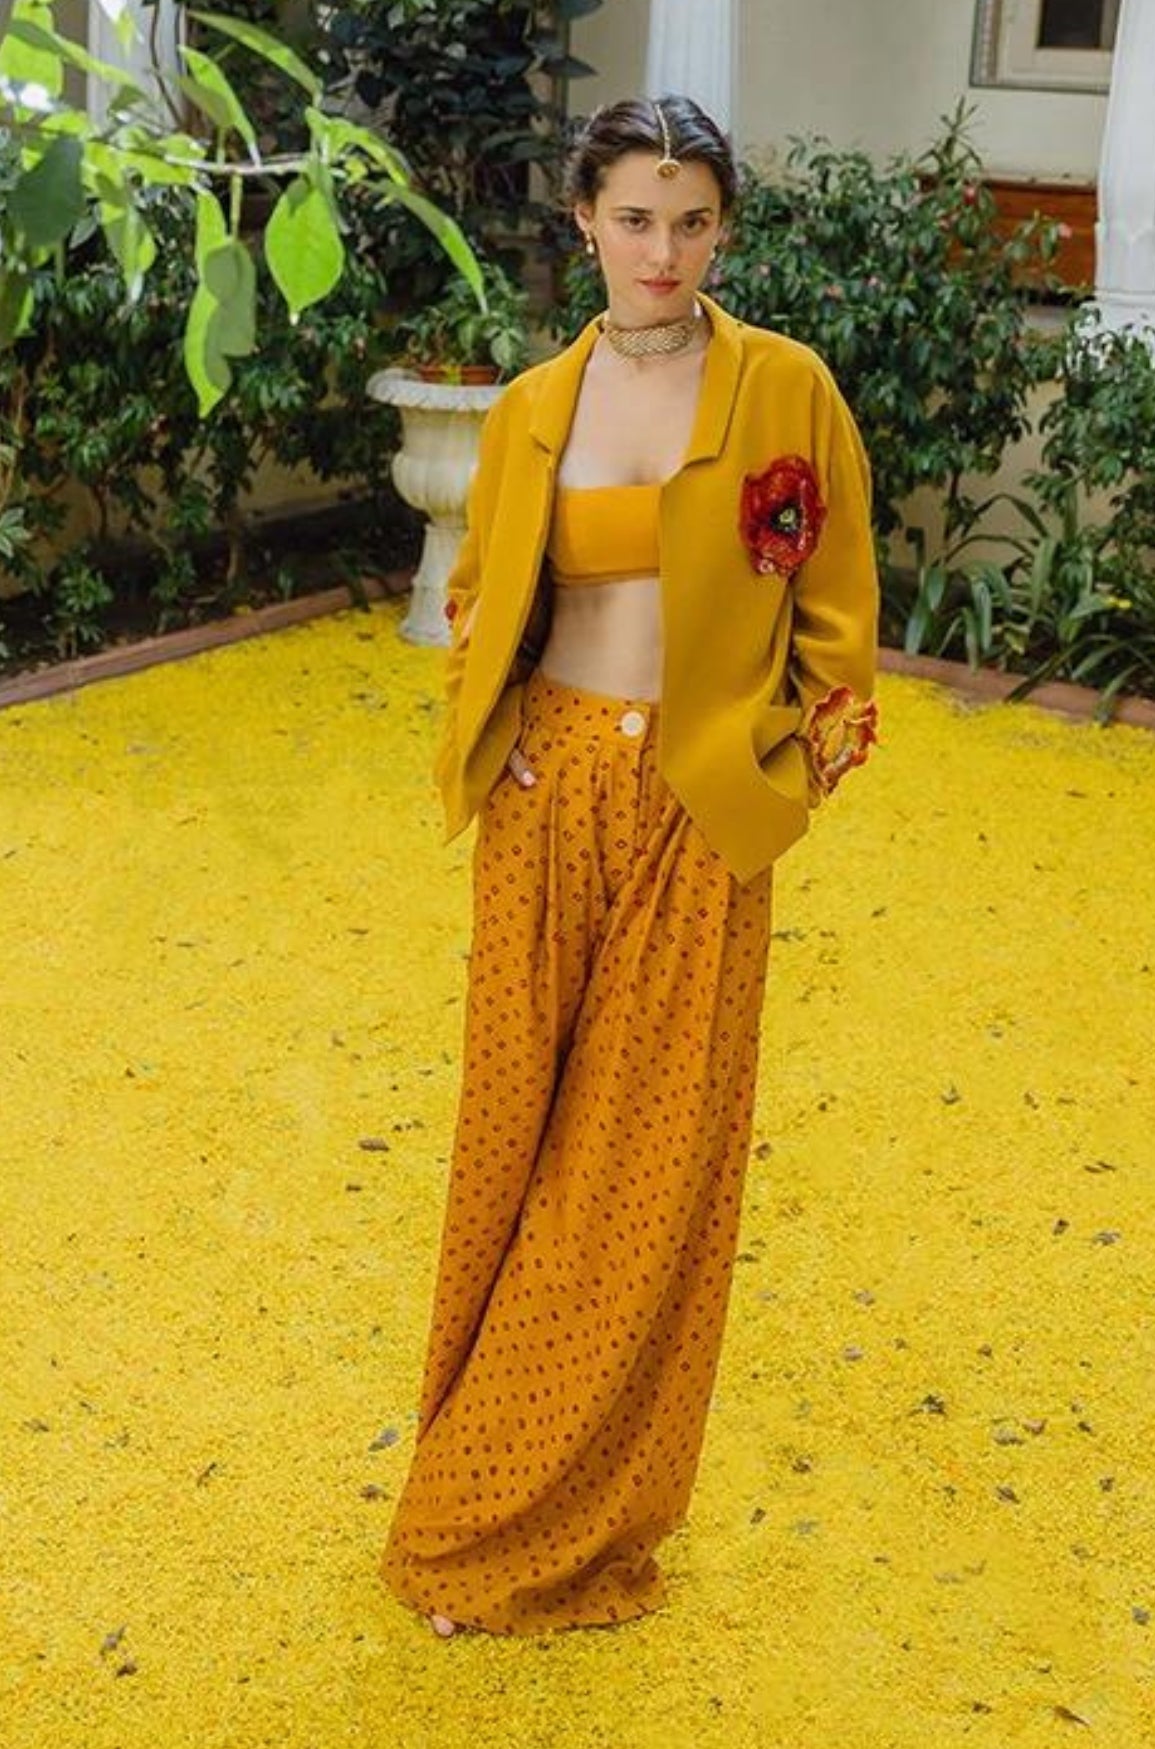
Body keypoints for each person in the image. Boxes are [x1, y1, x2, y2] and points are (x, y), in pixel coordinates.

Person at [380, 94, 880, 1639]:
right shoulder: (535, 404)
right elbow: (478, 594)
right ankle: (476, 1487)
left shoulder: (785, 390)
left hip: (696, 811)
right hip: (546, 802)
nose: (663, 250)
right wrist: (504, 726)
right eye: (635, 218)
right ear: (585, 221)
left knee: (636, 1178)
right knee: (515, 1149)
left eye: (692, 220)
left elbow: (840, 619)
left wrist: (774, 778)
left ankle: (535, 1520)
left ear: (721, 229)